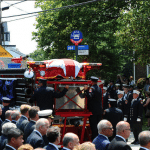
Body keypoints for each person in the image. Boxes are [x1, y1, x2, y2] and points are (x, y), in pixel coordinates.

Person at [84, 76, 102, 140]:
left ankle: (94, 139)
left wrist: (86, 90)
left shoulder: (91, 88)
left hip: (93, 110)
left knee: (93, 126)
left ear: (91, 81)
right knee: (98, 126)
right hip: (99, 110)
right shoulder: (99, 88)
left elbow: (90, 97)